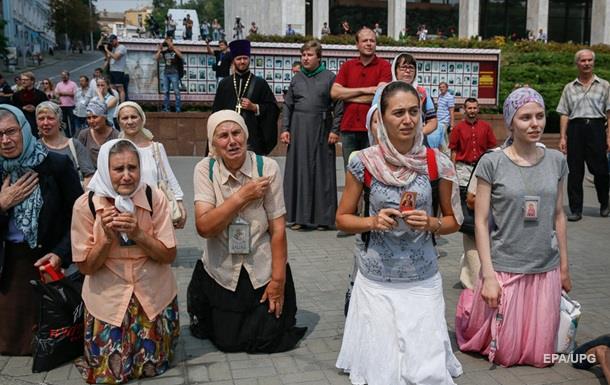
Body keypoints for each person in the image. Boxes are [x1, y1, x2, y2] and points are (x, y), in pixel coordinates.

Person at [334, 81, 463, 384]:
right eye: (398, 113)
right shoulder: (362, 162)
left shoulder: (437, 163)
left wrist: (431, 223)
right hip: (377, 280)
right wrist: (372, 221)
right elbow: (342, 218)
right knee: (383, 372)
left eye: (414, 112)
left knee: (425, 371)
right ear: (381, 117)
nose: (407, 120)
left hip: (422, 278)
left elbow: (453, 221)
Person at [455, 87, 571, 368]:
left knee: (541, 357)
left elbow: (558, 215)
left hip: (545, 268)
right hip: (506, 265)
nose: (535, 124)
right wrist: (489, 274)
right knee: (506, 352)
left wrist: (564, 268)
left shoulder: (557, 161)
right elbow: (480, 222)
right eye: (526, 117)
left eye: (540, 116)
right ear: (510, 122)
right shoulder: (492, 162)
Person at [188, 110, 307, 353]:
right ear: (213, 142)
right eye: (223, 136)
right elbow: (204, 227)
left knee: (268, 336)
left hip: (261, 267)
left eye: (236, 133)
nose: (231, 141)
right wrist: (242, 196)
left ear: (246, 134)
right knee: (228, 341)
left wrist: (277, 280)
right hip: (222, 268)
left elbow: (278, 228)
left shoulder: (267, 167)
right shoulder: (205, 169)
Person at [71, 139, 179, 383]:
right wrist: (106, 240)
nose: (127, 176)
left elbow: (168, 255)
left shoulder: (154, 197)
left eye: (133, 168)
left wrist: (138, 234)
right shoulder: (86, 205)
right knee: (109, 374)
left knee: (151, 367)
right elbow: (85, 267)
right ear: (105, 170)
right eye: (119, 169)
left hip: (151, 294)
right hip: (108, 300)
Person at [0, 104, 82, 355]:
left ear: (24, 131)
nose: (5, 140)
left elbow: (78, 216)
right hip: (8, 263)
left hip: (45, 262)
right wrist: (2, 204)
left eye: (11, 132)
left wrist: (60, 253)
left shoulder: (55, 165)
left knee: (49, 334)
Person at [281, 40, 341, 231]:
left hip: (322, 130)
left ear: (319, 57)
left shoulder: (330, 78)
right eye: (303, 55)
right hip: (299, 130)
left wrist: (335, 130)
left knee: (322, 173)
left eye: (309, 55)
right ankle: (298, 217)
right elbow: (288, 105)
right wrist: (285, 129)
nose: (305, 58)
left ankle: (323, 219)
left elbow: (339, 106)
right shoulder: (296, 79)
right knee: (299, 171)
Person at [557, 49, 610, 221]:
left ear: (593, 63)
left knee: (601, 170)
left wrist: (609, 136)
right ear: (577, 64)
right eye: (583, 60)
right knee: (575, 172)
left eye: (589, 60)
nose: (586, 63)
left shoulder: (604, 85)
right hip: (576, 129)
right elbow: (564, 113)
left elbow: (609, 113)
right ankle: (576, 209)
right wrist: (563, 137)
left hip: (596, 128)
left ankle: (604, 203)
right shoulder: (569, 88)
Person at [116, 101, 187, 228]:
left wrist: (179, 202)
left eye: (134, 117)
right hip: (125, 212)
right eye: (125, 118)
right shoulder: (113, 150)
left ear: (142, 119)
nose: (130, 121)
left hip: (155, 210)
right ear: (119, 122)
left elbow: (168, 176)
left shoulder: (156, 148)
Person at [331, 27, 392, 173]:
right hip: (348, 127)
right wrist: (366, 90)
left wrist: (348, 96)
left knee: (372, 171)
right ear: (357, 44)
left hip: (372, 129)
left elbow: (380, 96)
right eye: (365, 40)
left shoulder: (384, 66)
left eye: (372, 40)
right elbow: (334, 93)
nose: (369, 43)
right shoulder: (347, 66)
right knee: (351, 171)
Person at [212, 39, 280, 156]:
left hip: (253, 139)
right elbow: (216, 113)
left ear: (249, 59)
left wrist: (255, 107)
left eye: (245, 58)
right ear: (233, 61)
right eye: (239, 59)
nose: (242, 62)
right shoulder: (224, 84)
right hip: (229, 139)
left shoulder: (260, 83)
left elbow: (273, 109)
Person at [36, 101, 95, 186]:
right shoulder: (34, 148)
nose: (45, 123)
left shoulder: (74, 145)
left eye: (50, 118)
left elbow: (89, 175)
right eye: (41, 119)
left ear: (60, 121)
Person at [78, 99, 120, 165]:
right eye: (89, 118)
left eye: (95, 117)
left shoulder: (116, 135)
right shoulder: (84, 134)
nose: (91, 121)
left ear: (104, 117)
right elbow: (80, 157)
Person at [11, 72, 48, 137]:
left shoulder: (40, 94)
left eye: (26, 80)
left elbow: (47, 107)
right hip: (22, 123)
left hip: (37, 123)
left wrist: (36, 108)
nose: (23, 81)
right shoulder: (16, 95)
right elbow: (13, 108)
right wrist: (23, 108)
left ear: (32, 81)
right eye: (22, 79)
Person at [155, 36, 183, 112]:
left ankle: (178, 109)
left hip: (174, 73)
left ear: (172, 42)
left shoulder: (175, 50)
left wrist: (172, 47)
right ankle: (166, 108)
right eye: (166, 41)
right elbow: (156, 58)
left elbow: (181, 56)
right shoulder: (165, 51)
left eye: (169, 41)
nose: (167, 43)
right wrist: (160, 50)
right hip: (166, 73)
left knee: (176, 91)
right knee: (166, 91)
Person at [103, 34, 127, 103]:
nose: (111, 43)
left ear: (116, 40)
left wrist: (107, 50)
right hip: (112, 70)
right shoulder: (113, 48)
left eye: (112, 41)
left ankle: (122, 103)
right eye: (110, 42)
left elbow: (116, 57)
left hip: (119, 70)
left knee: (120, 88)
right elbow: (108, 57)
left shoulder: (121, 47)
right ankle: (114, 102)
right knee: (112, 88)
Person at [432, 81, 455, 151]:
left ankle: (446, 153)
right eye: (440, 87)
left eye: (443, 87)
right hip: (438, 120)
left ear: (447, 88)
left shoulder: (450, 97)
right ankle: (446, 152)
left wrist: (452, 124)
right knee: (444, 138)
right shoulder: (440, 96)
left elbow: (451, 111)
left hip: (444, 121)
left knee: (441, 139)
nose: (441, 88)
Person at [54, 70, 78, 137]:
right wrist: (57, 96)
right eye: (62, 76)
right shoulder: (59, 84)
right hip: (62, 106)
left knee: (72, 121)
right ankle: (67, 135)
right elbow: (56, 93)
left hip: (71, 106)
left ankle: (73, 135)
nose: (63, 77)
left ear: (68, 76)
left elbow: (75, 94)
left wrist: (63, 93)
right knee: (64, 122)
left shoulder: (73, 84)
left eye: (65, 75)